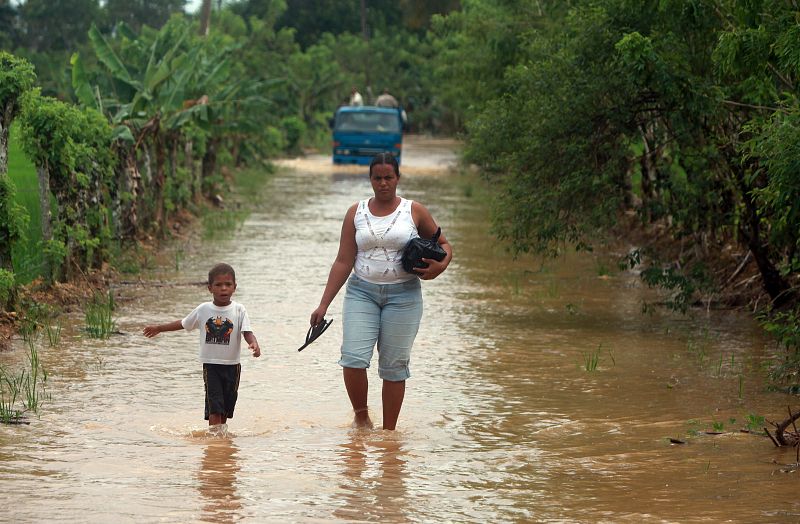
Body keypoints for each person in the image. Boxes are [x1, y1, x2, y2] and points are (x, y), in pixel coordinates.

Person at [310, 153, 452, 430]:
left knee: (394, 366)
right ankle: (362, 419)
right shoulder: (356, 212)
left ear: (398, 178)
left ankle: (389, 434)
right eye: (378, 178)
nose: (383, 183)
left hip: (404, 296)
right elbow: (343, 261)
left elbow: (444, 244)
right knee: (352, 358)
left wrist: (441, 266)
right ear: (370, 179)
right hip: (361, 293)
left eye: (389, 177)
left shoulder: (414, 211)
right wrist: (323, 304)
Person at [143, 263, 261, 432]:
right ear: (209, 288)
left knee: (225, 409)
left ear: (234, 287)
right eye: (218, 285)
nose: (223, 288)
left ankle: (220, 440)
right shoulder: (203, 309)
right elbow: (183, 323)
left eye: (228, 284)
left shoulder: (239, 310)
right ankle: (214, 440)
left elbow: (247, 332)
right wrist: (159, 328)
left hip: (232, 367)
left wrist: (254, 343)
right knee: (215, 406)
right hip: (211, 366)